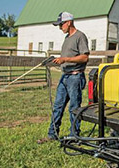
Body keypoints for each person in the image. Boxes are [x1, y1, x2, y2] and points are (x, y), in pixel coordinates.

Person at [37, 12, 89, 144]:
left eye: (61, 24)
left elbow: (85, 57)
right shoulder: (67, 38)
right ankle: (52, 134)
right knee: (57, 106)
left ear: (69, 22)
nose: (60, 27)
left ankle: (74, 136)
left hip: (75, 77)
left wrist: (65, 59)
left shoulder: (80, 36)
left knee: (74, 107)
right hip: (64, 76)